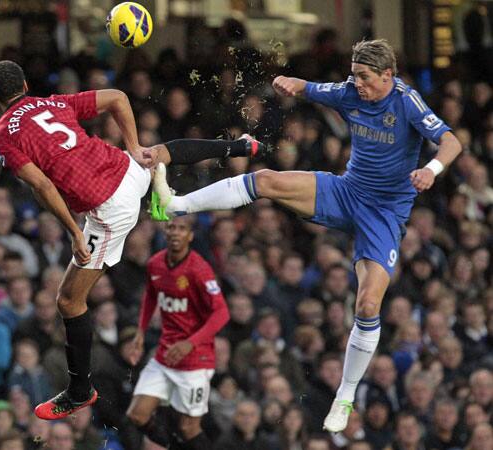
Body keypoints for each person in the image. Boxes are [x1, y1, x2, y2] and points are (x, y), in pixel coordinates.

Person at [150, 38, 462, 432]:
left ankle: (345, 395)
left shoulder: (406, 101)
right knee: (265, 180)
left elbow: (451, 141)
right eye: (353, 76)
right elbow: (308, 87)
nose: (357, 85)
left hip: (383, 215)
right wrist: (289, 83)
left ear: (388, 76)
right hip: (347, 192)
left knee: (367, 305)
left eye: (365, 78)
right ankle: (174, 205)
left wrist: (431, 170)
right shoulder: (350, 92)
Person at [0, 60, 263, 419]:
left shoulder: (2, 136)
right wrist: (133, 145)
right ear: (24, 83)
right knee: (156, 153)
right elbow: (117, 97)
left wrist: (74, 232)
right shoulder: (53, 102)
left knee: (69, 301)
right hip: (127, 169)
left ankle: (80, 390)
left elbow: (41, 185)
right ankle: (239, 147)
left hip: (109, 207)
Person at [126, 216, 230, 450]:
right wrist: (140, 333)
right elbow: (151, 295)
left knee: (188, 428)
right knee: (137, 415)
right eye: (171, 227)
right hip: (165, 355)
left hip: (195, 360)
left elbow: (222, 313)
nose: (175, 232)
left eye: (182, 229)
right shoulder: (155, 264)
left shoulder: (199, 269)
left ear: (190, 236)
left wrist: (189, 344)